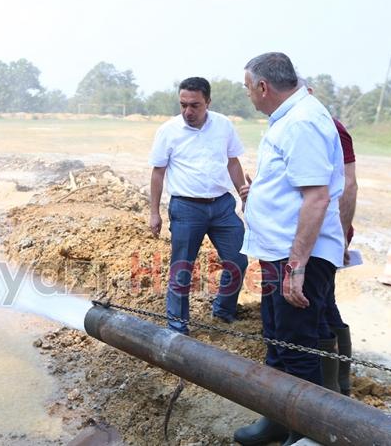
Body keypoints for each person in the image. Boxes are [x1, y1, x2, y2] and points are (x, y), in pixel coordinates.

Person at [234, 53, 345, 446]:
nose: (249, 96)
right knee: (278, 340)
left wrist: (296, 265)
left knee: (297, 347)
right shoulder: (289, 120)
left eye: (248, 89)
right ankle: (277, 419)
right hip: (278, 252)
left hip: (297, 256)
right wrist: (259, 192)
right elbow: (293, 184)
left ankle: (306, 435)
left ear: (263, 87)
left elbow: (316, 198)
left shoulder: (302, 123)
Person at [148, 77, 249, 336]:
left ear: (208, 102)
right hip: (186, 208)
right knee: (182, 269)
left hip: (222, 206)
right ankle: (177, 327)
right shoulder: (168, 131)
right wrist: (154, 213)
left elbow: (233, 162)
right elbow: (158, 173)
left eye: (195, 105)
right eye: (183, 105)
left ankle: (223, 311)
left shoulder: (223, 125)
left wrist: (243, 195)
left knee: (238, 260)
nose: (187, 112)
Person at [300, 78, 358, 396]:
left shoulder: (330, 127)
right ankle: (337, 386)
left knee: (322, 306)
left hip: (323, 234)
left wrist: (344, 236)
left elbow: (349, 185)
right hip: (318, 231)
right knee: (324, 304)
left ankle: (334, 387)